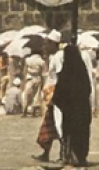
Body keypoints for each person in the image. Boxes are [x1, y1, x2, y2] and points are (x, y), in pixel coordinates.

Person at [53, 44, 92, 168]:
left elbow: (59, 93)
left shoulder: (65, 74)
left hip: (70, 112)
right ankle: (81, 157)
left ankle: (70, 157)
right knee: (82, 133)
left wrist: (64, 104)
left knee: (70, 133)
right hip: (83, 110)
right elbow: (88, 90)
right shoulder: (82, 73)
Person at [34, 30, 62, 163]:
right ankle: (46, 152)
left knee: (58, 125)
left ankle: (62, 153)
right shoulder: (52, 58)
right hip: (50, 94)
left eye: (48, 44)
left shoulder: (58, 57)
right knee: (49, 126)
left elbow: (58, 77)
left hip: (56, 96)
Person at [22, 51, 45, 117]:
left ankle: (24, 111)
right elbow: (43, 72)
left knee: (27, 95)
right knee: (36, 95)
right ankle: (33, 112)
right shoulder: (41, 61)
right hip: (37, 78)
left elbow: (25, 70)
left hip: (29, 78)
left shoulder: (28, 60)